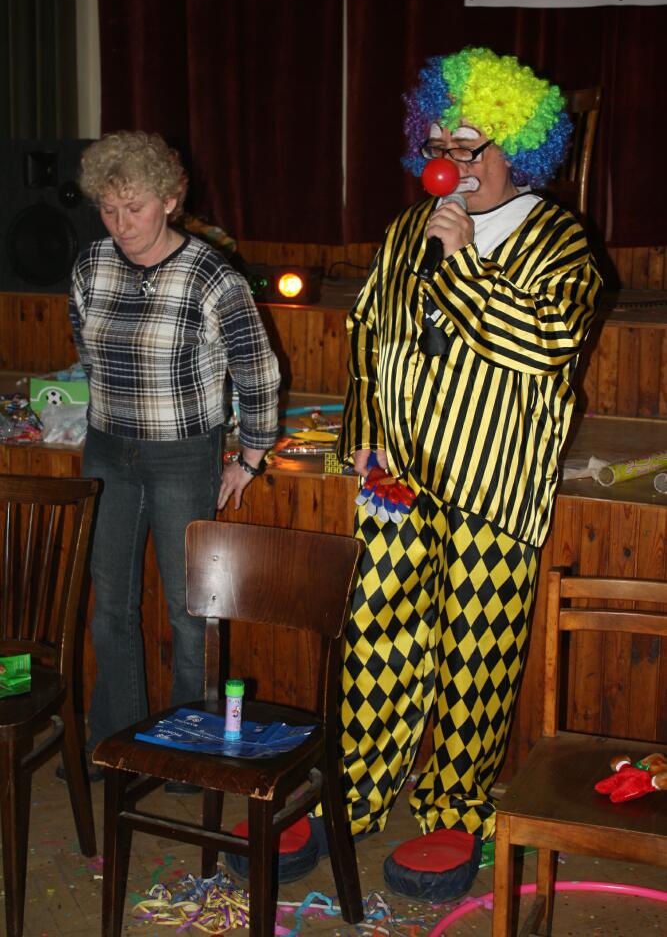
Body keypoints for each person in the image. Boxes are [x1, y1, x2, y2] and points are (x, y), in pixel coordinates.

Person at [245, 46, 600, 898]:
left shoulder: (560, 241)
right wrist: (365, 436)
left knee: (478, 652)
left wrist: (466, 262)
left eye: (468, 145)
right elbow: (369, 337)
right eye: (438, 145)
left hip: (494, 482)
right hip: (396, 480)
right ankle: (352, 793)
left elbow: (548, 343)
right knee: (373, 637)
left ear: (518, 148)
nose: (449, 162)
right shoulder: (408, 230)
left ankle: (455, 808)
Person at [67, 131, 280, 788]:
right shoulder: (90, 264)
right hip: (108, 449)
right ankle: (118, 742)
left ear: (169, 200)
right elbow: (85, 348)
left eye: (133, 208)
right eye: (108, 210)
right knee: (110, 608)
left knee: (191, 616)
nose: (120, 224)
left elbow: (258, 370)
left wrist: (250, 456)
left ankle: (192, 753)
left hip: (183, 456)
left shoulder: (211, 275)